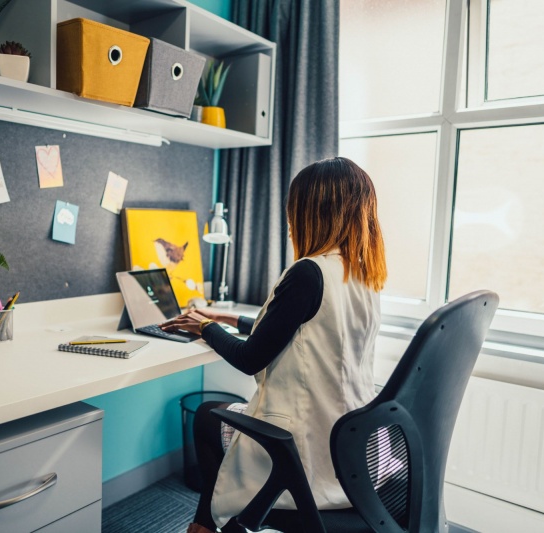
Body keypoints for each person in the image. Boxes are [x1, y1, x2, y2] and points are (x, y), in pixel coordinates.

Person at [160, 157, 387, 533]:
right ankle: (204, 526)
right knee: (215, 414)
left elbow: (251, 358)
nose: (288, 221)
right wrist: (231, 320)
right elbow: (313, 332)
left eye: (293, 210)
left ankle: (206, 525)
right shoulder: (361, 271)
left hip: (308, 444)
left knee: (206, 416)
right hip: (350, 441)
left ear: (312, 212)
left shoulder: (308, 272)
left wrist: (205, 328)